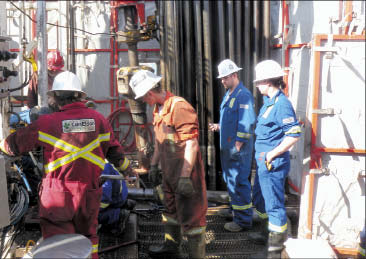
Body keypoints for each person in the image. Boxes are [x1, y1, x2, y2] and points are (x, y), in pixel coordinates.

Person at [0, 71, 134, 259]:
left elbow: (14, 145)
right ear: (80, 95)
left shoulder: (47, 123)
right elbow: (115, 152)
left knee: (59, 246)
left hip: (58, 196)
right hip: (89, 193)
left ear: (55, 97)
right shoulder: (99, 120)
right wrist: (128, 171)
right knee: (89, 239)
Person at [129, 70, 207, 259]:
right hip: (170, 173)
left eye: (142, 97)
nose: (143, 101)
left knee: (192, 217)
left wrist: (185, 177)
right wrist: (154, 167)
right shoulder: (158, 109)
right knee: (170, 210)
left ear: (149, 93)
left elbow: (191, 143)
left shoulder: (178, 107)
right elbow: (159, 143)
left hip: (186, 175)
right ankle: (172, 247)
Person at [250, 60, 301, 253]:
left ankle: (276, 246)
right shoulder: (269, 103)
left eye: (258, 82)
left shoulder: (282, 104)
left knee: (274, 204)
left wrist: (271, 154)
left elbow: (294, 134)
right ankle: (266, 232)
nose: (256, 86)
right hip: (263, 162)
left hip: (272, 163)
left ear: (268, 82)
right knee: (261, 199)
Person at [208, 59, 256, 232]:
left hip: (238, 150)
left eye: (225, 78)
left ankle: (243, 221)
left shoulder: (243, 95)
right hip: (229, 148)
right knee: (231, 181)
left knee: (239, 182)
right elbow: (232, 121)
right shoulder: (230, 94)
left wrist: (238, 145)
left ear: (235, 75)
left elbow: (247, 123)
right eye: (221, 78)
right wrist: (219, 126)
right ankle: (235, 210)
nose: (222, 81)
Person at [98, 162, 135, 236]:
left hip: (115, 197)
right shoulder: (96, 162)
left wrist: (92, 213)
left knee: (88, 215)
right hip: (117, 194)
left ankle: (118, 215)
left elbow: (104, 197)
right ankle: (123, 205)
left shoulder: (100, 169)